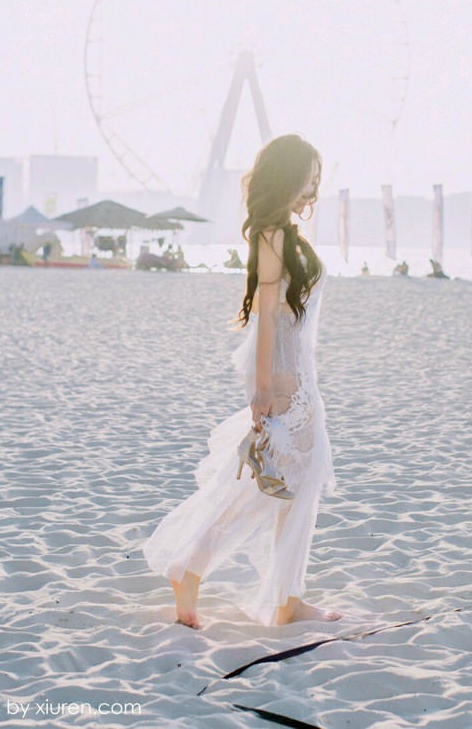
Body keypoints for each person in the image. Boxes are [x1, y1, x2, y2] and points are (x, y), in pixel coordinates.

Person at [143, 134, 340, 629]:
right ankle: (211, 575)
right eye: (307, 176)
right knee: (269, 488)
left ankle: (281, 596)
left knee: (287, 488)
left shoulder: (285, 232)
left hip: (301, 375)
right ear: (287, 175)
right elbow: (266, 314)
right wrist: (265, 387)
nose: (313, 186)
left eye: (316, 178)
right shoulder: (273, 234)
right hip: (288, 379)